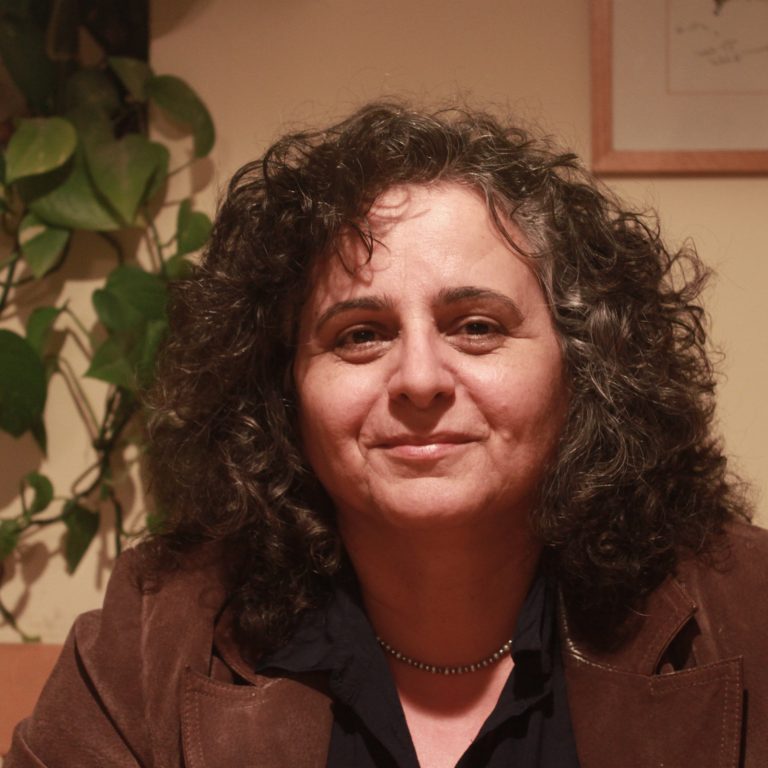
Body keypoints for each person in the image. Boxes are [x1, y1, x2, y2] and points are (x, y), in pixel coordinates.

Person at [7, 102, 768, 768]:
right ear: (281, 390)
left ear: (585, 364)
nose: (419, 380)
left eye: (477, 326)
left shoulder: (747, 609)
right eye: (360, 335)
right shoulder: (154, 633)